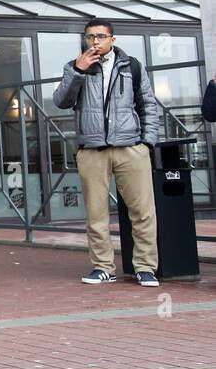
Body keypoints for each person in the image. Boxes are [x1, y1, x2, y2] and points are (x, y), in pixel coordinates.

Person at [52, 19, 162, 286]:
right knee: (96, 212)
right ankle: (103, 267)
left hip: (130, 147)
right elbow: (61, 101)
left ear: (112, 39)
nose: (95, 41)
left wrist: (146, 143)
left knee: (143, 211)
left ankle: (145, 267)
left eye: (101, 36)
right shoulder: (75, 67)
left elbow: (148, 105)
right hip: (92, 150)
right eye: (90, 37)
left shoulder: (132, 66)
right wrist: (78, 71)